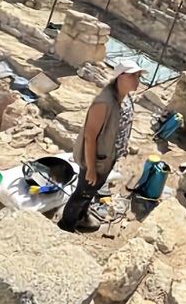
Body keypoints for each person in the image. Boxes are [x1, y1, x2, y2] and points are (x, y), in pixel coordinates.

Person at [58, 60, 144, 232]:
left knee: (91, 190)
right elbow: (90, 137)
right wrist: (90, 168)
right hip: (96, 160)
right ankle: (66, 226)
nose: (138, 80)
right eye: (134, 76)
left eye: (138, 76)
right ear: (121, 76)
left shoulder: (125, 97)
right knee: (82, 192)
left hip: (108, 157)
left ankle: (81, 216)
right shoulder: (103, 103)